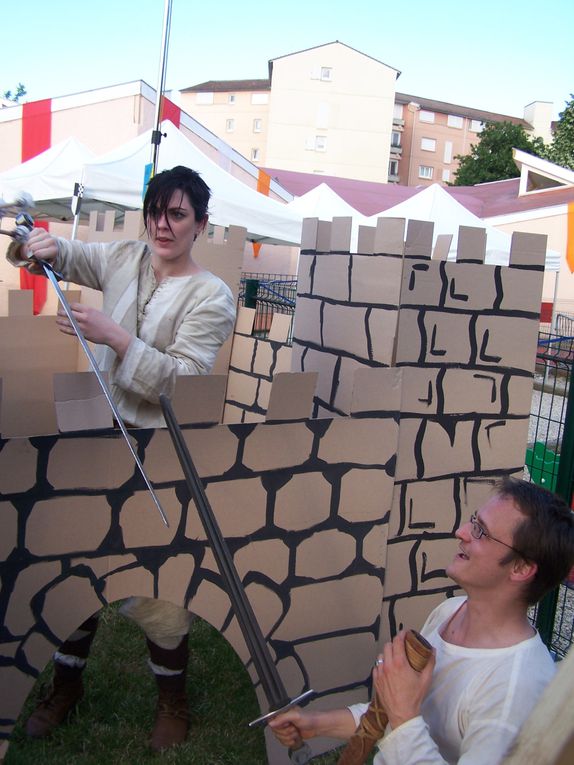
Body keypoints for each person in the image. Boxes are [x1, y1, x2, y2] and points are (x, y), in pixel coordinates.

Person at [7, 165, 236, 751]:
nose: (163, 224)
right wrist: (39, 243)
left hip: (158, 453)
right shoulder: (123, 257)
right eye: (156, 210)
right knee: (72, 565)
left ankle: (171, 699)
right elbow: (68, 255)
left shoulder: (212, 296)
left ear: (200, 225)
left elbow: (183, 383)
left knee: (158, 585)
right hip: (93, 439)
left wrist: (116, 337)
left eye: (178, 214)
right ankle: (65, 687)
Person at [270, 478, 574, 764]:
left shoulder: (514, 692)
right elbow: (390, 713)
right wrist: (315, 723)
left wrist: (403, 713)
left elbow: (403, 715)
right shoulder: (451, 612)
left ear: (521, 568)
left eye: (481, 531)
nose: (461, 531)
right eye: (473, 520)